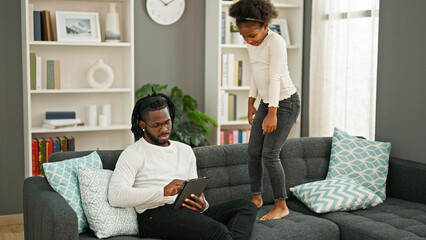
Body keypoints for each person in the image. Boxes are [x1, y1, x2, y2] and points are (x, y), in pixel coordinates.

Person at [108, 90, 257, 240]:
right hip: (154, 215)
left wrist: (202, 205)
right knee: (218, 231)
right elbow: (116, 195)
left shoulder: (184, 150)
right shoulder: (133, 153)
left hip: (184, 210)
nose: (164, 129)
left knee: (246, 207)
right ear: (143, 125)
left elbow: (194, 187)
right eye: (156, 125)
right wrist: (163, 192)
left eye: (167, 122)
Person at [229, 0, 301, 220]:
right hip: (266, 102)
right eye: (244, 37)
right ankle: (256, 197)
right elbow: (255, 71)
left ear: (265, 25)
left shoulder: (276, 42)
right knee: (253, 152)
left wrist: (272, 112)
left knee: (270, 154)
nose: (249, 41)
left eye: (252, 36)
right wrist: (251, 101)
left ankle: (281, 204)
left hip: (284, 103)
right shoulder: (252, 43)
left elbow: (274, 77)